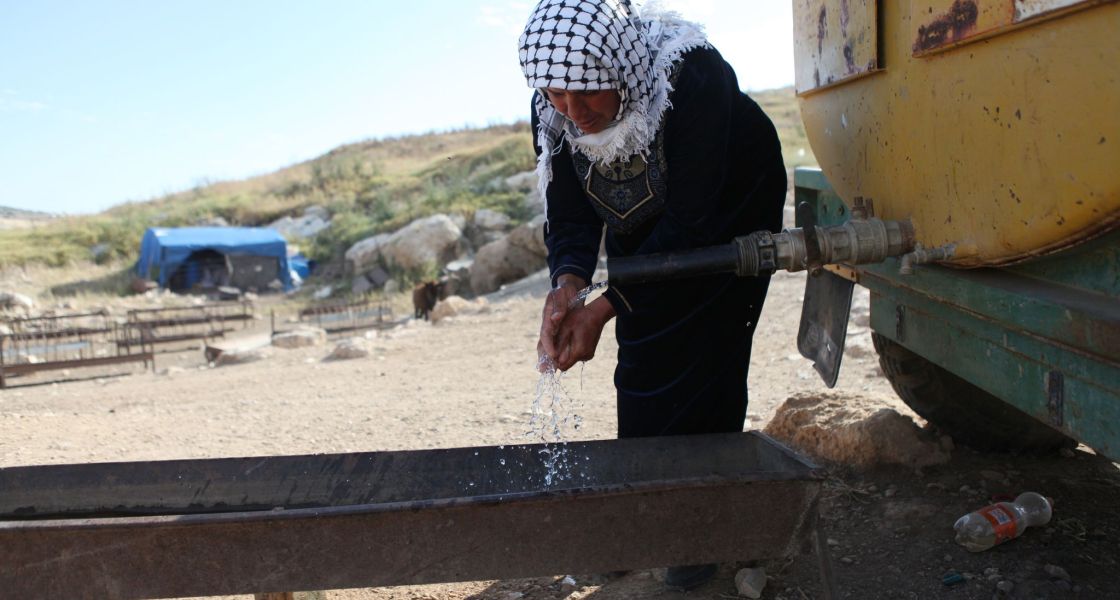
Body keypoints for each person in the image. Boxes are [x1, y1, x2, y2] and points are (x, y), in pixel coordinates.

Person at [519, 0, 786, 590]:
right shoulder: (555, 106)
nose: (574, 112)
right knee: (641, 355)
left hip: (729, 207)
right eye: (557, 97)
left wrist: (610, 304)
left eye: (586, 95)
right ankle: (639, 520)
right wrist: (567, 287)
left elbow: (693, 223)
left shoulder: (693, 79)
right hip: (642, 207)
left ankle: (697, 529)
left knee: (706, 346)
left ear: (619, 70)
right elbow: (567, 212)